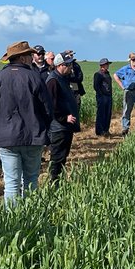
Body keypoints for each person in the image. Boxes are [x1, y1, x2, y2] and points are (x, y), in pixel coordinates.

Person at [0, 41, 53, 204]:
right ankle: (30, 218)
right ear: (22, 58)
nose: (31, 57)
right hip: (33, 137)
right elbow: (48, 109)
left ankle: (12, 222)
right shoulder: (34, 77)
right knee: (30, 181)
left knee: (11, 183)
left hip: (5, 138)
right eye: (29, 55)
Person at [45, 53, 81, 185]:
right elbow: (51, 105)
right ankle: (54, 184)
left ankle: (58, 182)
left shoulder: (62, 78)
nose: (71, 67)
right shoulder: (53, 81)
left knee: (62, 157)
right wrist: (64, 117)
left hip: (64, 127)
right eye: (68, 64)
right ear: (60, 65)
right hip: (58, 127)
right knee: (57, 158)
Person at [92, 58, 113, 136]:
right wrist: (101, 94)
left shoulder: (107, 73)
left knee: (108, 114)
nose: (108, 65)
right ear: (102, 65)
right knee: (101, 114)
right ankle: (100, 131)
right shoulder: (98, 74)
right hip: (102, 97)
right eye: (106, 64)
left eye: (108, 64)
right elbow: (96, 86)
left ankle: (106, 130)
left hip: (108, 96)